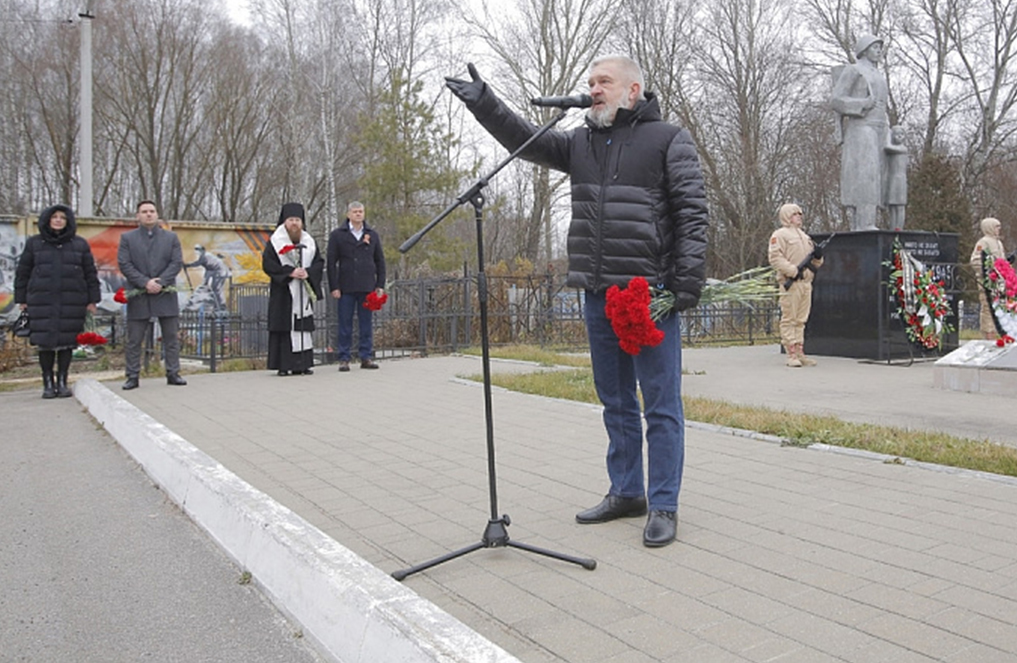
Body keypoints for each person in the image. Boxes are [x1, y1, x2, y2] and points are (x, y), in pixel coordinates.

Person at [446, 56, 708, 548]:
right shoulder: (581, 142)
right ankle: (627, 491)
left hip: (648, 294)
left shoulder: (669, 139)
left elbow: (692, 214)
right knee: (615, 401)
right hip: (597, 292)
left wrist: (685, 285)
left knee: (660, 405)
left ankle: (664, 503)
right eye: (590, 82)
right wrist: (486, 105)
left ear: (633, 90)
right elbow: (527, 142)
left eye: (604, 81)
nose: (594, 89)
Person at [14, 205, 101, 398]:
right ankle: (47, 382)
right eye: (54, 217)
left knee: (67, 342)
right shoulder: (34, 243)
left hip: (72, 300)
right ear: (47, 220)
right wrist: (21, 298)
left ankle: (62, 381)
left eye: (63, 217)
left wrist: (93, 299)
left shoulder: (79, 244)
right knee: (44, 343)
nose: (58, 220)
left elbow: (90, 273)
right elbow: (23, 272)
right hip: (41, 300)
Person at [829, 34, 908, 231]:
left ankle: (867, 224)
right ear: (864, 50)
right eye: (875, 47)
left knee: (879, 176)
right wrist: (862, 104)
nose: (879, 51)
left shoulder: (878, 74)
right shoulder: (854, 70)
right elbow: (836, 100)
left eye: (880, 48)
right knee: (866, 174)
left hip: (880, 128)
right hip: (861, 128)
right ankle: (865, 224)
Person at [118, 201, 187, 390]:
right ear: (137, 216)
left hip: (165, 294)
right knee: (134, 339)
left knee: (171, 337)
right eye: (144, 212)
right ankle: (132, 376)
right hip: (139, 294)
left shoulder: (170, 238)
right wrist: (145, 283)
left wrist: (161, 282)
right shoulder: (128, 238)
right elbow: (125, 264)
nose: (148, 214)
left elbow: (176, 262)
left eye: (152, 211)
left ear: (157, 215)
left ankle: (173, 373)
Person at [263, 202, 324, 376]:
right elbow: (268, 264)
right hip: (283, 293)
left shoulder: (309, 242)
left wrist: (307, 272)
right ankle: (283, 366)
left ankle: (302, 365)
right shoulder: (275, 242)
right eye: (291, 220)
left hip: (302, 292)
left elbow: (319, 263)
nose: (294, 224)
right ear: (284, 222)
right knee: (284, 328)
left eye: (297, 220)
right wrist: (290, 272)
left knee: (302, 327)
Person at [326, 201, 386, 371]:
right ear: (348, 214)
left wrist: (380, 284)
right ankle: (344, 358)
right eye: (355, 212)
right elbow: (331, 262)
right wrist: (334, 286)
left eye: (361, 211)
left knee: (366, 324)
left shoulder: (372, 235)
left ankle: (366, 356)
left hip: (367, 286)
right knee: (345, 324)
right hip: (346, 287)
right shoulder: (338, 235)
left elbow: (380, 261)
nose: (358, 214)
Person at [767, 204, 823, 367]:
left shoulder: (805, 237)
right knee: (789, 319)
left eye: (800, 213)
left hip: (806, 283)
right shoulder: (780, 235)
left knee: (801, 320)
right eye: (795, 214)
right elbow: (775, 258)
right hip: (791, 283)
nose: (799, 216)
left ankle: (800, 352)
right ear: (786, 216)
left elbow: (815, 263)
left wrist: (818, 257)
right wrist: (792, 271)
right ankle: (791, 353)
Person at [969, 217, 1006, 341]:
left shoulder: (999, 243)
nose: (998, 229)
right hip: (987, 281)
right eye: (996, 227)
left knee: (999, 306)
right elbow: (975, 260)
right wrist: (989, 269)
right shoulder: (983, 242)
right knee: (987, 306)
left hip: (1000, 281)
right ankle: (988, 333)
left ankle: (999, 332)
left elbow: (1002, 260)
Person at [183, 245, 230, 311]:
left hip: (220, 272)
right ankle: (218, 305)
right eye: (196, 250)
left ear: (203, 250)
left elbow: (197, 263)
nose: (197, 252)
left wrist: (187, 265)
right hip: (217, 272)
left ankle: (221, 306)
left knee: (217, 288)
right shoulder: (207, 259)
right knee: (215, 288)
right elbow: (207, 273)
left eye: (198, 250)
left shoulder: (205, 256)